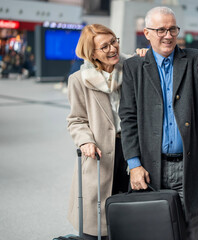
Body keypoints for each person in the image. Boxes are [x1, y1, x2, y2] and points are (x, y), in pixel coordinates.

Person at [119, 6, 198, 240]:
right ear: (147, 33)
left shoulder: (193, 58)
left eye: (172, 29)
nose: (168, 35)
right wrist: (134, 164)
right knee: (156, 231)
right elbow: (128, 118)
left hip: (188, 165)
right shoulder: (134, 67)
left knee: (191, 231)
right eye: (161, 29)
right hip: (151, 166)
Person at [66, 24, 147, 240]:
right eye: (105, 46)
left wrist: (144, 57)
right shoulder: (78, 81)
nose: (113, 48)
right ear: (92, 53)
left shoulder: (132, 67)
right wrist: (85, 141)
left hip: (131, 147)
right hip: (99, 153)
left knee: (132, 213)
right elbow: (76, 119)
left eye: (114, 41)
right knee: (95, 222)